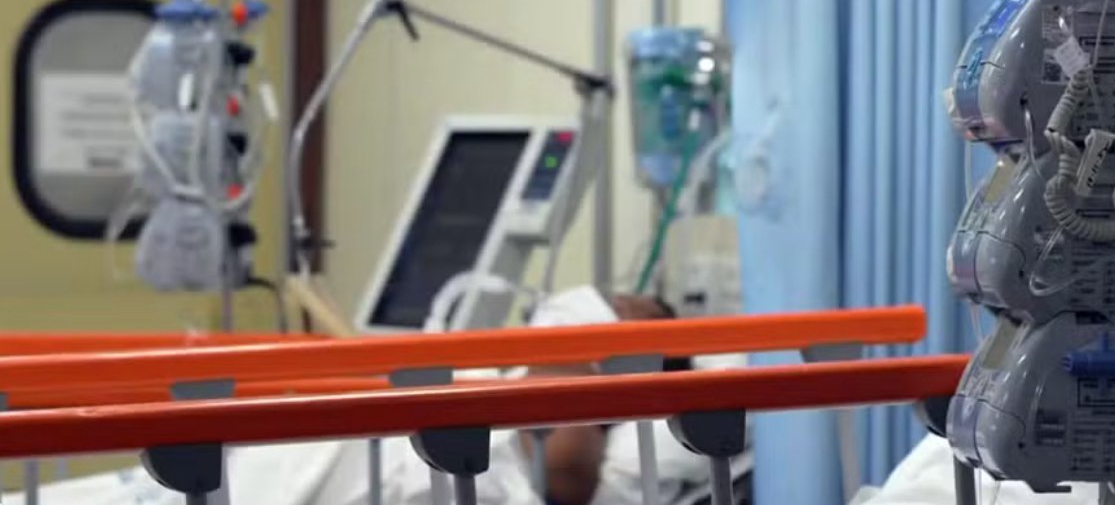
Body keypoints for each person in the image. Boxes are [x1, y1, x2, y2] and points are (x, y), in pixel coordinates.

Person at [15, 288, 730, 505]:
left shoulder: (568, 409)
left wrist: (571, 354)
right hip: (270, 464)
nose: (615, 294)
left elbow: (566, 471)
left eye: (633, 304)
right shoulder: (507, 370)